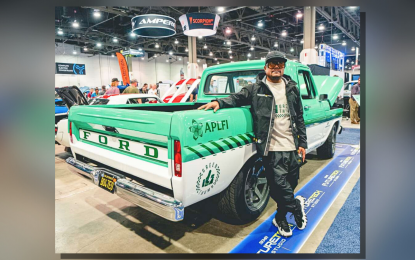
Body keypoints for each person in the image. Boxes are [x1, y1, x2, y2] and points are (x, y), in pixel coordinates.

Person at [198, 51, 308, 237]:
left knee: (291, 182)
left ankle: (280, 218)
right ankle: (295, 205)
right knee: (278, 185)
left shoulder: (292, 88)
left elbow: (299, 117)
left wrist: (303, 142)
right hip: (271, 147)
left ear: (283, 68)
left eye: (279, 65)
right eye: (272, 65)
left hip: (292, 145)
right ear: (265, 68)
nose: (276, 68)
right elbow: (236, 98)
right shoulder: (255, 88)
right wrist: (218, 102)